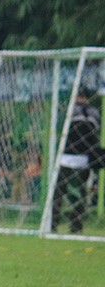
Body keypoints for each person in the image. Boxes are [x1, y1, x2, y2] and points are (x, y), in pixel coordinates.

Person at [51, 88, 101, 234]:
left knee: (59, 192)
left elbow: (59, 129)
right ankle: (76, 226)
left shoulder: (69, 111)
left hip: (65, 157)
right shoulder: (94, 113)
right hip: (84, 158)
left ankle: (52, 224)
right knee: (80, 192)